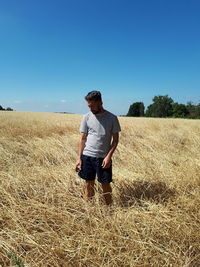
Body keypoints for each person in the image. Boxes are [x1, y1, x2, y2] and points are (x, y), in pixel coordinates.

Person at [75, 91, 121, 205]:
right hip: (87, 156)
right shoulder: (86, 117)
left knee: (105, 184)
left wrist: (108, 157)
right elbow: (83, 139)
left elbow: (115, 140)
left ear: (100, 102)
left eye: (92, 105)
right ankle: (89, 210)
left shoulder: (112, 118)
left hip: (103, 158)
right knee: (88, 184)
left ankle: (109, 209)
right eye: (88, 106)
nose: (90, 108)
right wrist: (79, 158)